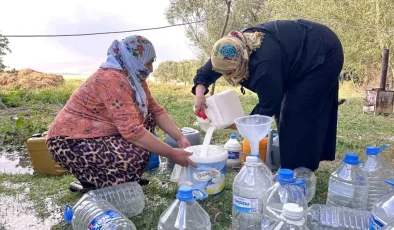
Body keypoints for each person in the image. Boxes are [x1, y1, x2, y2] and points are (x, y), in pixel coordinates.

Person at [46, 35, 196, 192]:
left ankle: (118, 181)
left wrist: (180, 138)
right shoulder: (111, 78)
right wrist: (172, 154)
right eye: (149, 61)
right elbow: (133, 132)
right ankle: (97, 185)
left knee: (147, 122)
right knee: (134, 155)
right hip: (70, 142)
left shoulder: (133, 78)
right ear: (134, 58)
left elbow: (155, 110)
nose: (151, 68)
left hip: (96, 134)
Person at [192, 19, 344, 171]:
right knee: (285, 116)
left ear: (243, 60)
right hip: (297, 53)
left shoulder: (263, 65)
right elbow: (209, 70)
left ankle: (296, 173)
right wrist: (200, 93)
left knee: (294, 112)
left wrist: (238, 125)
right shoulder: (228, 49)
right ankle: (290, 162)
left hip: (322, 53)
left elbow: (269, 105)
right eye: (221, 72)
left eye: (229, 72)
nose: (225, 75)